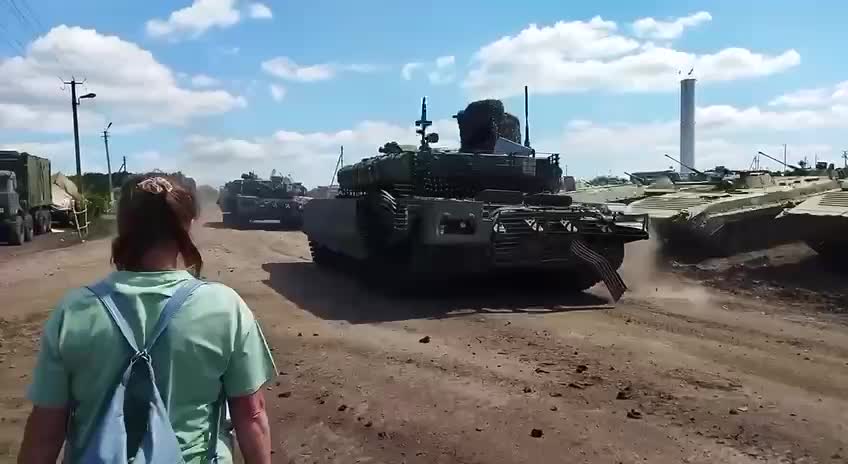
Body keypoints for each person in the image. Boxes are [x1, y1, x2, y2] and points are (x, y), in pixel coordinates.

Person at [18, 174, 277, 464]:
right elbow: (251, 415)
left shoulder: (74, 310)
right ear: (187, 226)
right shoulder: (225, 307)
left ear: (123, 226)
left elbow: (46, 430)